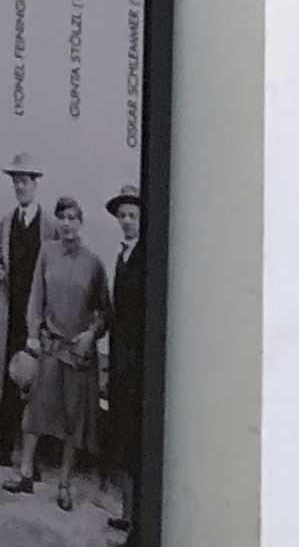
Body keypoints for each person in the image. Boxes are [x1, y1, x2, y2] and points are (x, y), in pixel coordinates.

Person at [2, 194, 112, 512]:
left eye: (72, 218)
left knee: (71, 421)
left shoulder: (93, 263)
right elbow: (36, 297)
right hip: (49, 347)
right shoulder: (47, 252)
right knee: (34, 412)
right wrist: (33, 335)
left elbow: (105, 311)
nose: (67, 224)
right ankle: (25, 474)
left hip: (77, 355)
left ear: (81, 223)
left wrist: (90, 335)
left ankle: (64, 485)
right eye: (62, 217)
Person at [103, 185, 144, 542]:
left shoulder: (145, 257)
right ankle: (128, 515)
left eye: (132, 215)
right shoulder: (123, 255)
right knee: (123, 438)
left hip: (138, 364)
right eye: (122, 216)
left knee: (135, 442)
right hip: (120, 360)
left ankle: (139, 525)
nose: (127, 221)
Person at [0, 150, 44, 468]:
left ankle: (33, 461)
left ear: (35, 183)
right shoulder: (6, 223)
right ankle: (4, 450)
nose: (20, 186)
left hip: (38, 318)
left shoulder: (49, 225)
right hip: (12, 315)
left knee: (36, 386)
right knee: (9, 380)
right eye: (16, 181)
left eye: (25, 180)